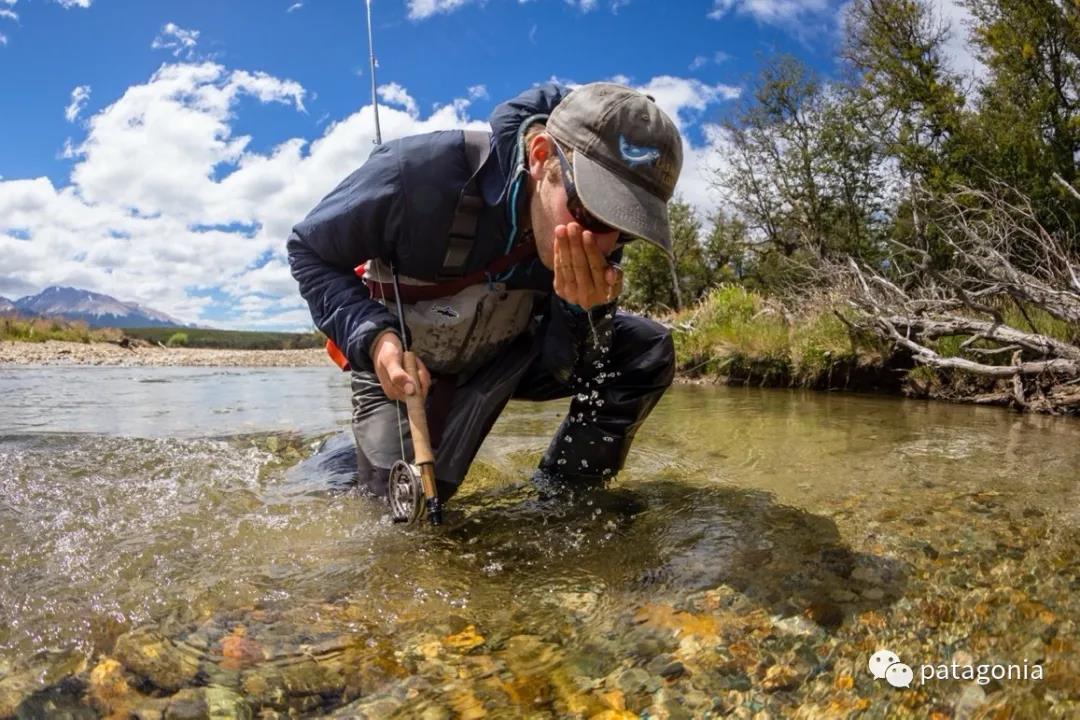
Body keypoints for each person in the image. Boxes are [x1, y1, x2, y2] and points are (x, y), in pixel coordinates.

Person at [287, 82, 683, 506]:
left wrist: (581, 314)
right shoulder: (415, 172)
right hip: (402, 361)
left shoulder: (600, 241)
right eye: (590, 210)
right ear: (541, 156)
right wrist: (374, 337)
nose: (604, 244)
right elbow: (310, 252)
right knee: (408, 512)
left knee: (646, 349)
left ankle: (565, 503)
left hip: (506, 354)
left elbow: (573, 373)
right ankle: (335, 456)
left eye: (625, 229)